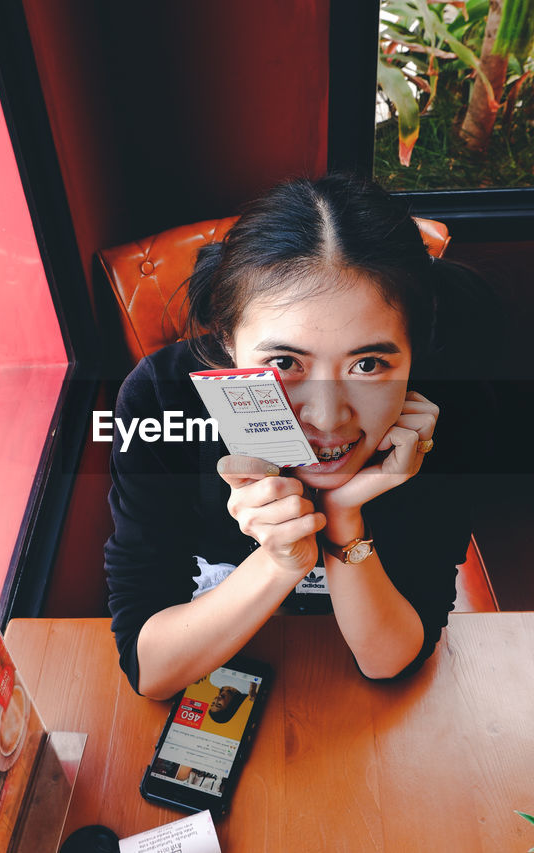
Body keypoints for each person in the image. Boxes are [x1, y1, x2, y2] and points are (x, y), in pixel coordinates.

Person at [105, 174, 485, 700]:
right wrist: (282, 559)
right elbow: (151, 671)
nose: (328, 418)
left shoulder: (439, 413)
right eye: (284, 362)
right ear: (227, 342)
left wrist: (343, 519)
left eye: (369, 364)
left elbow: (389, 661)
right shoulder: (162, 400)